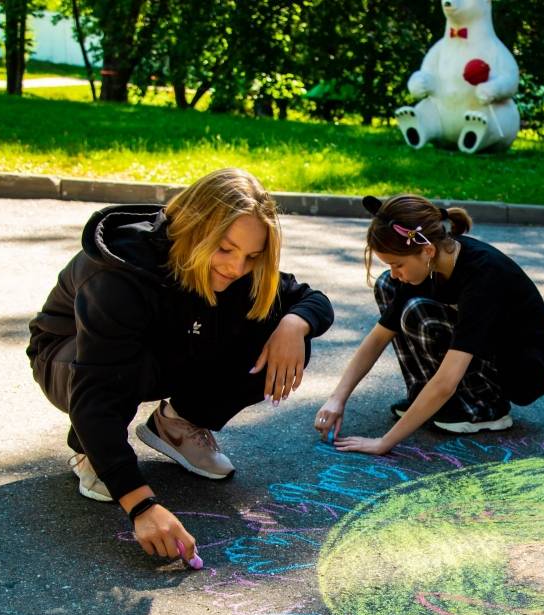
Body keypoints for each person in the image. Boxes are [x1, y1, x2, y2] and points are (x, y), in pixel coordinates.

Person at [27, 168, 334, 564]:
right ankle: (90, 450)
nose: (236, 267)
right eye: (225, 249)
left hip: (161, 350)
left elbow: (312, 299)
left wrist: (295, 323)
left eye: (252, 256)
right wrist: (140, 505)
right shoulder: (119, 273)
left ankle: (177, 423)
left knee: (286, 341)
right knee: (120, 373)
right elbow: (97, 391)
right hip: (69, 360)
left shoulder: (239, 268)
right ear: (192, 227)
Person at [314, 194, 544, 454]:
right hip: (486, 349)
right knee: (388, 285)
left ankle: (483, 408)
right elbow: (378, 337)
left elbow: (446, 380)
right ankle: (424, 400)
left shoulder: (482, 277)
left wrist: (384, 442)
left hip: (516, 372)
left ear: (427, 251)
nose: (395, 271)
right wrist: (337, 398)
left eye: (398, 264)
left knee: (419, 312)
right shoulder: (430, 264)